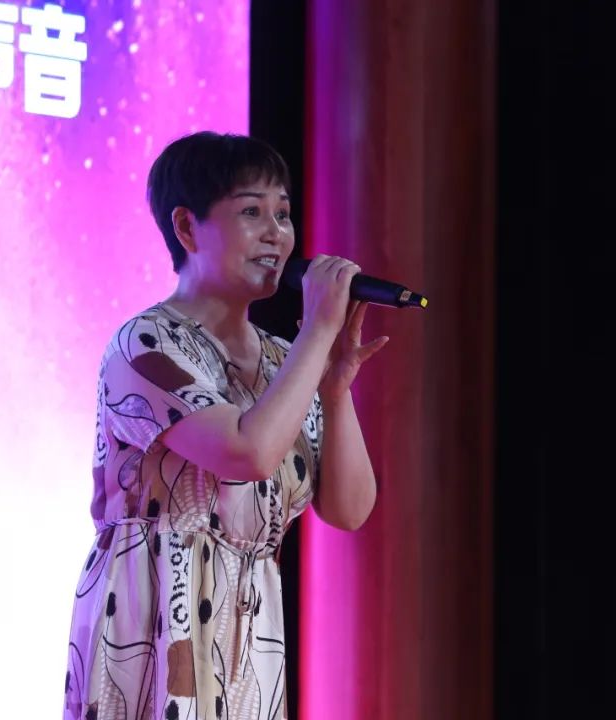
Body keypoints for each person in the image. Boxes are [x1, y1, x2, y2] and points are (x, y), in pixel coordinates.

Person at [63, 131, 387, 720]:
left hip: (251, 633)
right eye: (251, 212)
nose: (277, 234)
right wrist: (317, 332)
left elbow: (350, 508)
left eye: (283, 214)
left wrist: (336, 391)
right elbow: (248, 454)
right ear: (187, 228)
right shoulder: (146, 345)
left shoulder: (281, 360)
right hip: (154, 620)